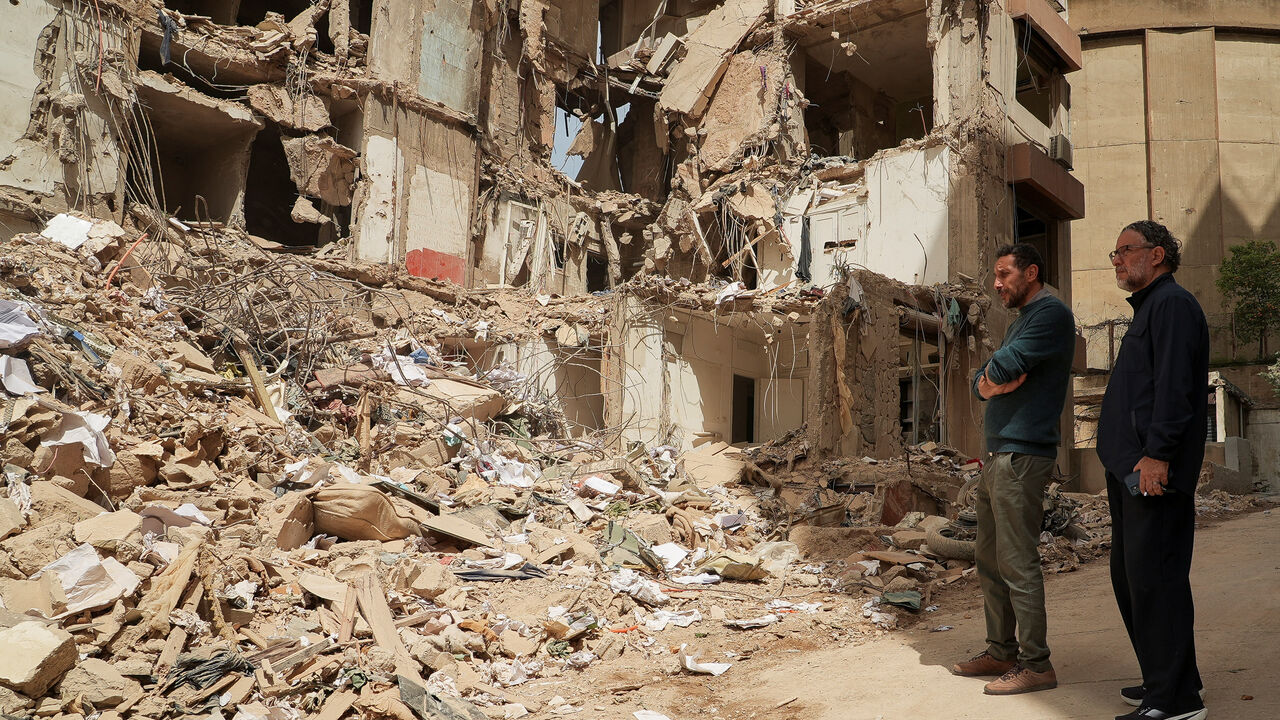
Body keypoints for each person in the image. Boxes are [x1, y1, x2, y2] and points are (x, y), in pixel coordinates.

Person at [951, 243, 1076, 695]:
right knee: (988, 557)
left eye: (1004, 275)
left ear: (1031, 272)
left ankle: (1036, 664)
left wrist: (990, 377)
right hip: (999, 454)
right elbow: (982, 377)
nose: (997, 284)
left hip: (1022, 455)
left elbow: (1004, 364)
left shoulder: (1050, 314)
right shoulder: (1022, 320)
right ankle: (1001, 650)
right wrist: (988, 383)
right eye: (996, 276)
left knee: (1016, 561)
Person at [1097, 220, 1209, 720]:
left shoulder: (1172, 306)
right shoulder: (1151, 309)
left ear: (1157, 255)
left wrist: (1159, 455)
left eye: (1125, 250)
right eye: (1115, 253)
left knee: (1155, 581)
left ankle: (1176, 703)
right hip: (1131, 471)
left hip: (1152, 472)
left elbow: (1175, 390)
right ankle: (1169, 678)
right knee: (1133, 579)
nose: (1117, 259)